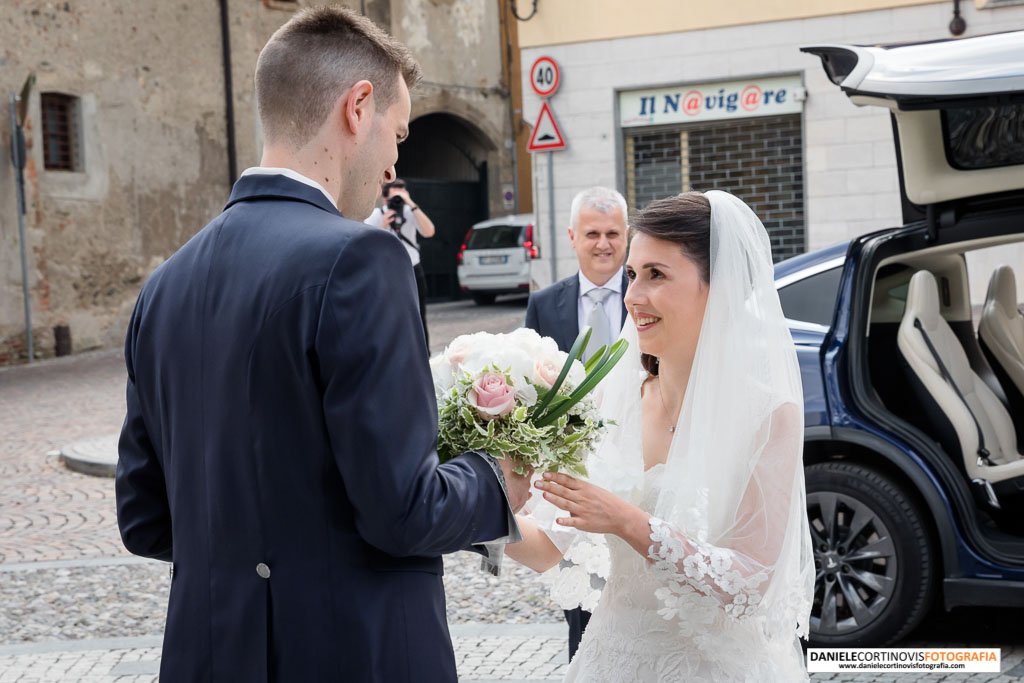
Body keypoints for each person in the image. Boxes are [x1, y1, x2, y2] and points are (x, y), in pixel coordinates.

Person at [114, 8, 531, 682]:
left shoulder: (164, 285)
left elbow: (144, 517)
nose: (396, 159)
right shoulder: (362, 260)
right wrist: (496, 481)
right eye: (399, 134)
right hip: (353, 655)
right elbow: (403, 510)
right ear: (357, 107)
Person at [508, 191, 815, 681]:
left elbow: (751, 585)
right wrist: (477, 513)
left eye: (656, 274)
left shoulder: (769, 414)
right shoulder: (613, 400)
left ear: (718, 289)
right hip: (611, 660)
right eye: (633, 274)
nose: (631, 295)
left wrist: (629, 521)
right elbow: (549, 544)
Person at [523, 186, 628, 659]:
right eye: (592, 234)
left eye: (613, 233)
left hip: (635, 466)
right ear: (572, 237)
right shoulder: (546, 305)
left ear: (627, 237)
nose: (603, 243)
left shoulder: (650, 294)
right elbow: (532, 391)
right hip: (572, 473)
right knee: (582, 601)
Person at [365, 179, 435, 347]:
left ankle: (424, 355)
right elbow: (366, 244)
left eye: (400, 197)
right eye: (394, 198)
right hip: (388, 273)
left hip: (412, 269)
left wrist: (410, 203)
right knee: (390, 316)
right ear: (385, 199)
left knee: (419, 316)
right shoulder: (376, 215)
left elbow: (429, 231)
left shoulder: (410, 212)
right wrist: (383, 226)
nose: (398, 202)